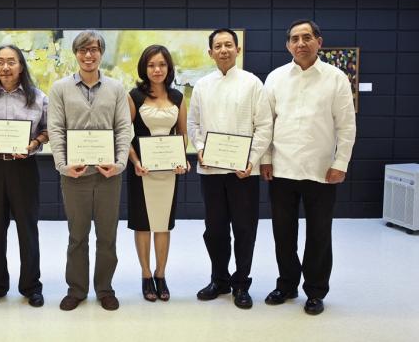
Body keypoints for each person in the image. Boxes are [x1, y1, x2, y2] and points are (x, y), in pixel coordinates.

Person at [261, 19, 356, 316]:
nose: (300, 43)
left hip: (321, 171)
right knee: (283, 233)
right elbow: (266, 124)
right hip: (281, 169)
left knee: (318, 233)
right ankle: (287, 284)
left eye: (306, 37)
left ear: (319, 42)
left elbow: (346, 126)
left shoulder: (336, 78)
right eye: (294, 39)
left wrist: (341, 163)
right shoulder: (275, 77)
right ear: (288, 45)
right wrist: (265, 159)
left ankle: (315, 291)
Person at [187, 28, 273, 309]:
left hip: (243, 172)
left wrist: (251, 159)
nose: (223, 50)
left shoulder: (252, 84)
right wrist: (200, 149)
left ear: (238, 50)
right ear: (210, 52)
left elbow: (264, 127)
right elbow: (194, 125)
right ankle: (219, 279)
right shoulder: (201, 85)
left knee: (245, 229)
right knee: (214, 230)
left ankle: (241, 283)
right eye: (218, 46)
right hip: (210, 171)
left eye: (228, 45)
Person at [48, 30, 131, 311]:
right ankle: (77, 289)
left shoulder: (116, 88)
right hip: (74, 176)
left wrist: (119, 164)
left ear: (101, 53)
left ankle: (105, 288)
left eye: (94, 49)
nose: (88, 55)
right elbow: (56, 129)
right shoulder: (60, 88)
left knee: (107, 236)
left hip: (109, 176)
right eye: (83, 50)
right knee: (77, 236)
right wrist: (62, 165)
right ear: (76, 54)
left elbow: (123, 128)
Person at [0, 45, 48, 308]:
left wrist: (34, 143)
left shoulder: (38, 98)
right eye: (0, 62)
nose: (5, 67)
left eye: (11, 62)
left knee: (28, 229)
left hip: (24, 168)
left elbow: (48, 129)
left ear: (21, 66)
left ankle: (31, 286)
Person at [127, 45, 189, 302]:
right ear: (144, 68)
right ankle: (145, 275)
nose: (157, 70)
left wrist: (181, 159)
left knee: (163, 225)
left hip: (168, 172)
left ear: (168, 68)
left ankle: (160, 274)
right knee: (143, 224)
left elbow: (182, 135)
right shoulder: (134, 96)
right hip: (142, 170)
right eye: (152, 65)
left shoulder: (177, 97)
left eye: (162, 64)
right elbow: (125, 134)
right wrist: (135, 161)